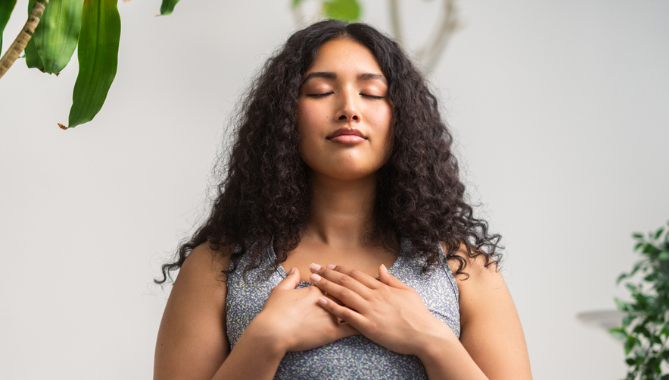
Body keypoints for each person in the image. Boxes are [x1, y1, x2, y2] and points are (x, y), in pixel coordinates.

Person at [153, 20, 532, 380]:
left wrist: (430, 339)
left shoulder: (462, 267)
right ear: (284, 115)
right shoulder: (216, 266)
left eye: (372, 93)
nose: (349, 109)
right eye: (320, 91)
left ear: (402, 117)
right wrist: (265, 339)